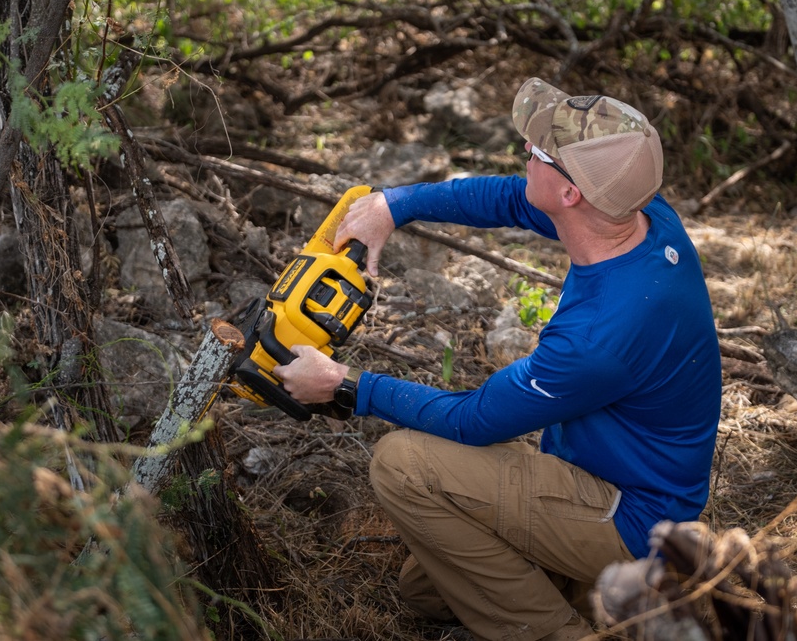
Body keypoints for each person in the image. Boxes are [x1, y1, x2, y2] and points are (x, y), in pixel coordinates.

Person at [273, 77, 722, 641]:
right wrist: (396, 204)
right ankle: (584, 590)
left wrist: (344, 384)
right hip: (596, 475)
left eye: (535, 152)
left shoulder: (601, 336)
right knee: (426, 591)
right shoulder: (641, 218)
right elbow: (512, 197)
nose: (524, 155)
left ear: (569, 194)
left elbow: (474, 420)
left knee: (401, 465)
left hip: (631, 521)